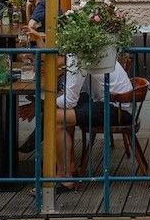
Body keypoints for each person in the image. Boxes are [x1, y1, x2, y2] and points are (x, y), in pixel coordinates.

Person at [47, 53, 133, 187]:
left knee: (57, 118)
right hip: (118, 105)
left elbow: (69, 101)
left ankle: (64, 177)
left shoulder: (76, 56)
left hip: (117, 108)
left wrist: (43, 105)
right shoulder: (87, 50)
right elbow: (74, 95)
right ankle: (70, 168)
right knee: (63, 114)